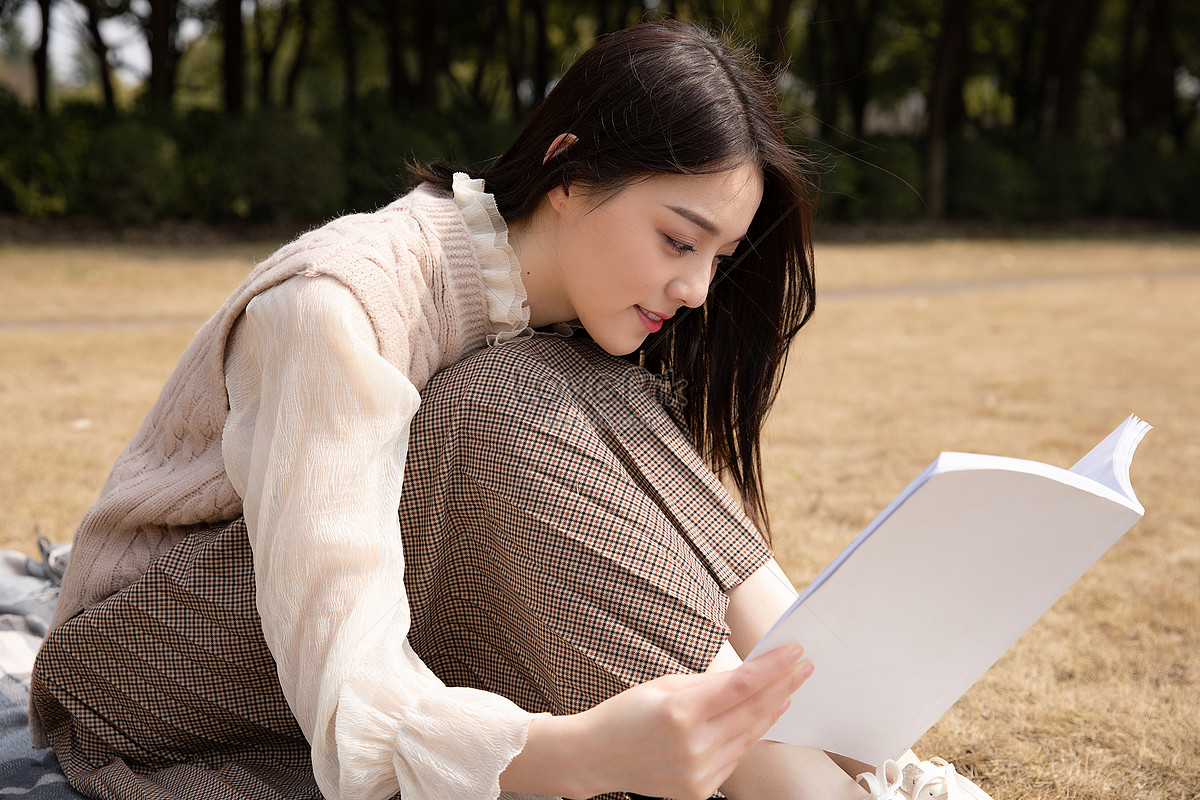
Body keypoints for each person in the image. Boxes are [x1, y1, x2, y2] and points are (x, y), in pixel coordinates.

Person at [28, 18, 984, 800]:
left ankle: (846, 742)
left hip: (325, 631)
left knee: (567, 375)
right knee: (504, 401)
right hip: (149, 675)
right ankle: (801, 774)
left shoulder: (564, 324)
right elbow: (351, 692)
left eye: (718, 258)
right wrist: (586, 755)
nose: (697, 289)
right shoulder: (338, 305)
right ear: (567, 173)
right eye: (676, 239)